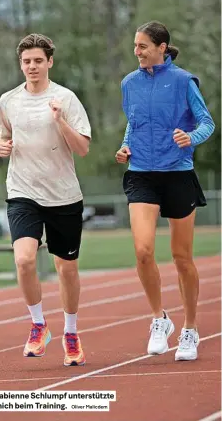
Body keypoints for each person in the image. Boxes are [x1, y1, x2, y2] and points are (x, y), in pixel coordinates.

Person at [116, 21, 215, 361]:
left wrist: (192, 138)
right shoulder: (129, 83)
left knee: (181, 258)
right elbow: (134, 120)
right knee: (143, 251)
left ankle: (189, 328)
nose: (137, 51)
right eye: (135, 45)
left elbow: (207, 122)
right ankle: (160, 319)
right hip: (141, 172)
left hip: (177, 174)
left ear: (161, 47)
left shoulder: (184, 81)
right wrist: (125, 146)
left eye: (142, 45)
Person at [0, 33, 91, 366]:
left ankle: (70, 332)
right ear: (20, 64)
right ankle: (38, 325)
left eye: (38, 60)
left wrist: (60, 121)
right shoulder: (8, 100)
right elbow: (4, 131)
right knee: (23, 260)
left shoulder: (65, 98)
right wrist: (2, 144)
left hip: (63, 195)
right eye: (27, 61)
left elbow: (82, 148)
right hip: (23, 191)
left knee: (66, 269)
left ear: (49, 62)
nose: (32, 66)